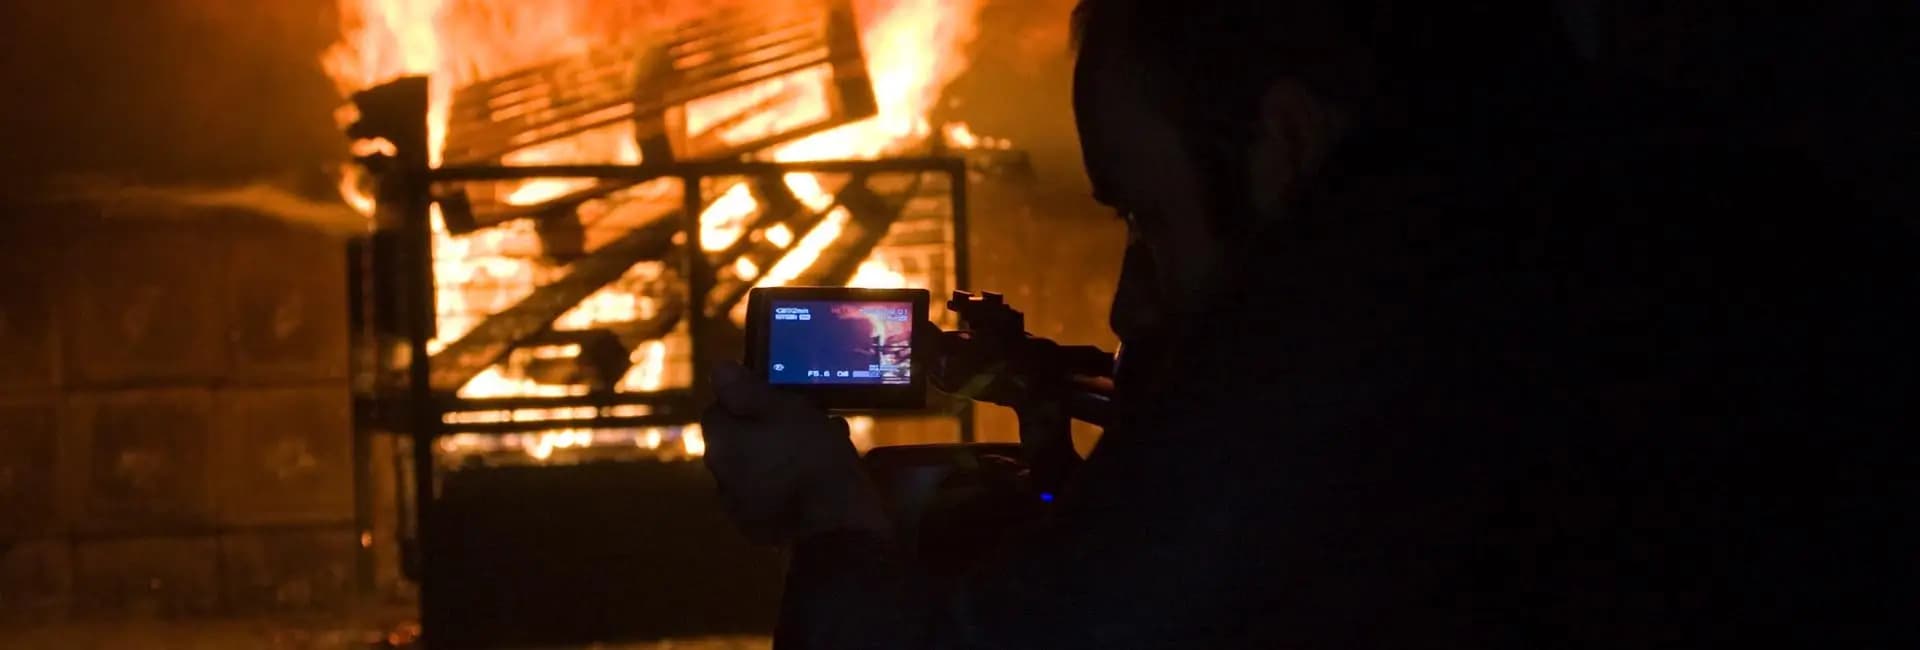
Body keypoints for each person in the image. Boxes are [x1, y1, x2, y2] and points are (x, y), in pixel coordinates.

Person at [702, 1, 1919, 647]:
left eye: (1149, 217)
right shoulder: (1659, 203)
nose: (1132, 294)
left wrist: (831, 515)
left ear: (1285, 144)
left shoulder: (1369, 301)